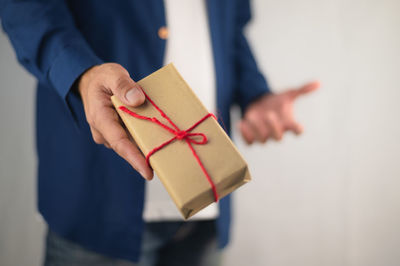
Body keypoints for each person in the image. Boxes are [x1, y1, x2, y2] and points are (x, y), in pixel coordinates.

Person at [0, 0, 318, 265]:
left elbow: (229, 27)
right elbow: (27, 7)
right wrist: (81, 74)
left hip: (206, 199)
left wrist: (256, 94)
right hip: (100, 195)